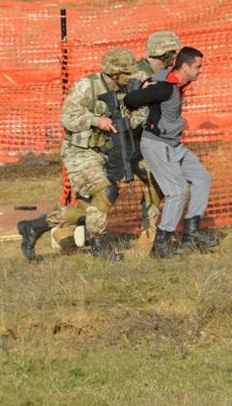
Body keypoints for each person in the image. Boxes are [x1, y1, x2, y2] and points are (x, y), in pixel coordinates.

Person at [16, 48, 146, 262]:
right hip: (80, 152)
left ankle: (34, 227)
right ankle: (99, 249)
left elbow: (131, 118)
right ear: (115, 73)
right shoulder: (88, 86)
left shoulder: (126, 88)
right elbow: (68, 117)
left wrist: (140, 110)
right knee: (106, 192)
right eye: (127, 73)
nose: (131, 76)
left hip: (106, 153)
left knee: (89, 209)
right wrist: (96, 120)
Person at [123, 46, 219, 258]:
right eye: (197, 66)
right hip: (157, 144)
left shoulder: (176, 83)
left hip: (173, 144)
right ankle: (161, 245)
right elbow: (130, 100)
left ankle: (191, 233)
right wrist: (141, 87)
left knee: (202, 178)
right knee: (177, 191)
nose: (200, 71)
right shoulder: (164, 87)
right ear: (185, 66)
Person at [131, 31, 183, 237]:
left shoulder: (153, 75)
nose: (174, 59)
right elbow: (134, 114)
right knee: (101, 194)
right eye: (172, 54)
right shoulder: (140, 77)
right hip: (130, 143)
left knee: (158, 182)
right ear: (164, 54)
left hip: (146, 142)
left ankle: (150, 231)